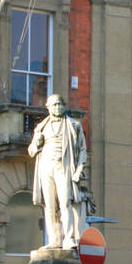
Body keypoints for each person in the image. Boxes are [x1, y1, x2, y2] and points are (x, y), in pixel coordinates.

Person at [27, 93, 89, 250]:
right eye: (54, 105)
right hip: (46, 167)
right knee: (49, 205)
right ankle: (54, 240)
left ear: (64, 106)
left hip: (64, 166)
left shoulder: (74, 125)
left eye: (60, 104)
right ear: (48, 107)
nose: (57, 107)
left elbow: (82, 149)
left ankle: (68, 238)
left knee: (65, 202)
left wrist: (79, 169)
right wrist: (38, 142)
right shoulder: (41, 127)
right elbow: (32, 151)